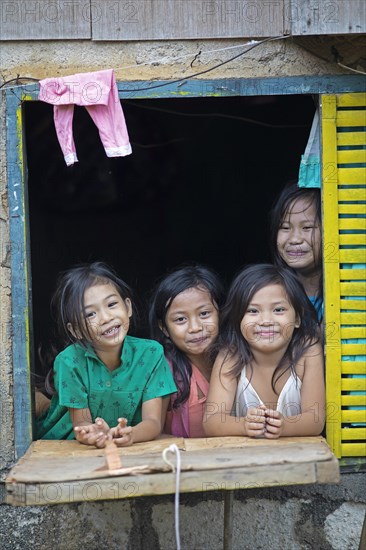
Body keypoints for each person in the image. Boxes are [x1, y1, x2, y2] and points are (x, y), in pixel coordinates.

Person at [36, 262, 176, 447]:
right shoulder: (69, 361)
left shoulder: (151, 354)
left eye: (111, 304)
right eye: (90, 315)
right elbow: (82, 423)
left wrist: (131, 434)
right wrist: (91, 433)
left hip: (131, 443)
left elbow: (153, 423)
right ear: (76, 330)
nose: (106, 318)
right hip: (66, 444)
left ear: (128, 307)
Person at [204, 264, 325, 438]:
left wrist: (284, 426)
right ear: (238, 318)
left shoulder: (307, 350)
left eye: (278, 310)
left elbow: (316, 419)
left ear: (297, 317)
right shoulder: (230, 355)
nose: (266, 320)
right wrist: (243, 425)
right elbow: (211, 422)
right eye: (253, 311)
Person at [149, 265, 225, 438]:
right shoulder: (163, 370)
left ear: (221, 312)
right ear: (164, 328)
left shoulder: (238, 359)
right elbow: (154, 433)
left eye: (204, 313)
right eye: (181, 319)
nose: (195, 328)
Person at [270, 183, 323, 320]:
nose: (294, 239)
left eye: (307, 227)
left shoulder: (346, 293)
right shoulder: (269, 293)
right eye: (285, 228)